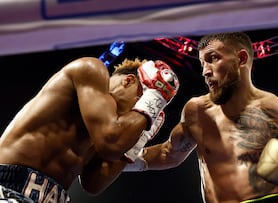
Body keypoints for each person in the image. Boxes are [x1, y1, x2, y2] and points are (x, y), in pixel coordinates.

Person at [124, 32, 278, 203]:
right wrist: (123, 160)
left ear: (241, 59)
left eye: (213, 58)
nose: (205, 71)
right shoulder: (197, 111)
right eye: (202, 64)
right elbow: (168, 153)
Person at [0, 56, 179, 203]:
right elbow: (111, 143)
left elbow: (94, 183)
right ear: (128, 81)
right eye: (142, 98)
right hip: (8, 186)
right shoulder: (90, 69)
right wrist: (153, 99)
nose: (141, 112)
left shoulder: (106, 129)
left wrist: (139, 139)